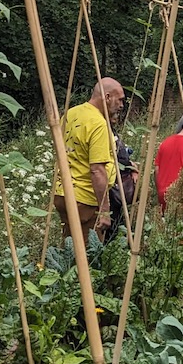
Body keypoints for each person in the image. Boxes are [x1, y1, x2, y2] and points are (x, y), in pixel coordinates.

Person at [53, 78, 126, 243]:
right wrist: (104, 211)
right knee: (89, 254)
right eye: (120, 99)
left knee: (71, 247)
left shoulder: (70, 114)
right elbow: (97, 170)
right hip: (85, 199)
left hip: (62, 193)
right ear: (107, 97)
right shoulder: (98, 123)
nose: (122, 105)